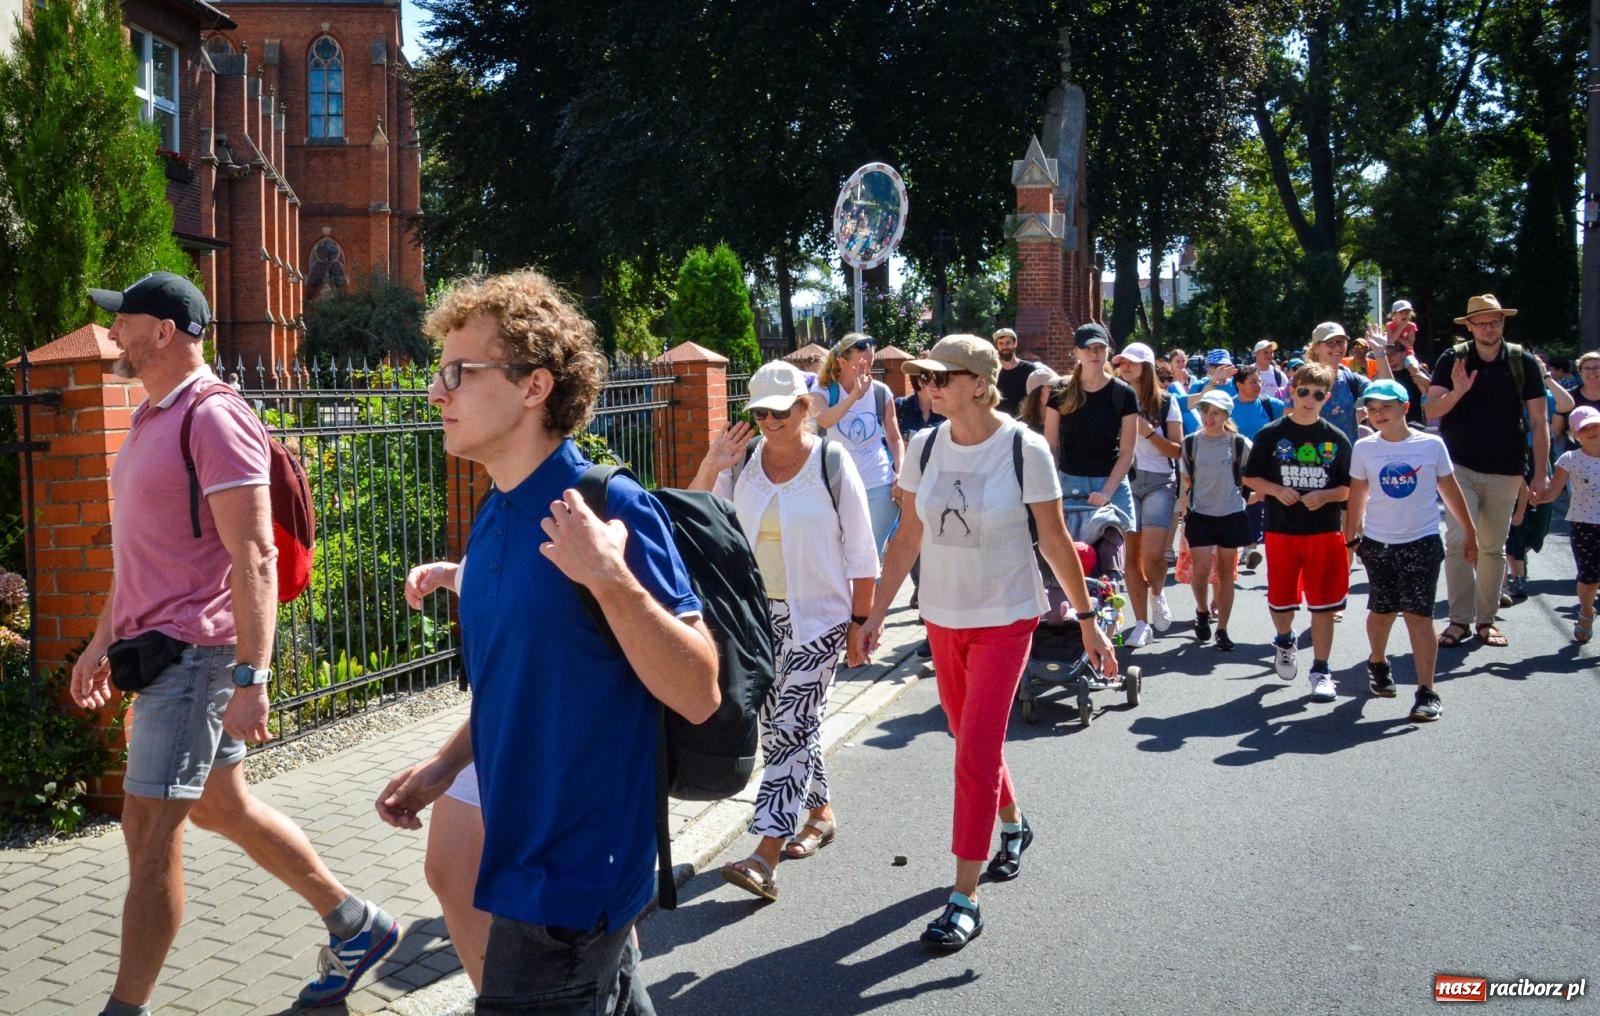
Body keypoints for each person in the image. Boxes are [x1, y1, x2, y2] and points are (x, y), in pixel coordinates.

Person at [374, 270, 719, 1015]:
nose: (438, 392)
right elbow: (524, 682)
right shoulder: (497, 513)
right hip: (522, 860)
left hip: (567, 885)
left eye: (459, 373)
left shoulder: (608, 506)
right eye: (443, 373)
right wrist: (445, 765)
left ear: (534, 387)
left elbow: (699, 689)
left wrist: (609, 578)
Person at [69, 272, 396, 1016]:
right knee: (221, 806)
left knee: (149, 830)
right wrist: (97, 643)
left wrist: (254, 675)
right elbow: (140, 555)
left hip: (196, 658)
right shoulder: (152, 417)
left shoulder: (214, 418)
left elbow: (254, 554)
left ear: (166, 331)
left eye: (126, 320)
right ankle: (357, 925)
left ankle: (125, 1008)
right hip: (158, 652)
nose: (114, 331)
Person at [859, 334, 1115, 953]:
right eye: (924, 378)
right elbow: (906, 538)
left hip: (1008, 615)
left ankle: (964, 897)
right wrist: (873, 614)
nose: (929, 387)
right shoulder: (923, 446)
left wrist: (1085, 617)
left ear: (979, 381)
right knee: (965, 732)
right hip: (943, 618)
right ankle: (1014, 824)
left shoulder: (1024, 448)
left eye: (940, 377)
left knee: (974, 752)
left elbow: (1055, 540)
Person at [688, 361, 878, 901]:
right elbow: (694, 513)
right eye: (759, 412)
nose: (769, 420)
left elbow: (863, 551)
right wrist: (711, 462)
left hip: (820, 617)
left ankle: (765, 853)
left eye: (780, 410)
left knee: (791, 724)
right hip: (753, 619)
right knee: (783, 728)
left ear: (804, 408)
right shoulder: (743, 461)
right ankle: (819, 813)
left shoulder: (831, 463)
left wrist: (862, 622)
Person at [1344, 380, 1477, 723]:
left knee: (1420, 616)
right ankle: (1377, 660)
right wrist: (1350, 539)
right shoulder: (1365, 449)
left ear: (1404, 408)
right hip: (1379, 542)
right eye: (1372, 409)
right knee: (1383, 611)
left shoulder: (1431, 446)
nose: (1378, 415)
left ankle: (1426, 691)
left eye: (1386, 407)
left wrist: (1470, 531)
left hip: (1422, 542)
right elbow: (1357, 494)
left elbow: (1449, 488)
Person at [1426, 294, 1549, 650]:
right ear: (1469, 326)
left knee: (1493, 547)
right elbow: (1432, 408)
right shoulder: (1453, 358)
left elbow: (1539, 421)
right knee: (1459, 541)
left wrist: (1539, 474)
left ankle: (1486, 621)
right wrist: (1459, 391)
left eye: (1493, 320)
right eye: (1480, 322)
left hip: (1507, 468)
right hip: (1457, 466)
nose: (1487, 327)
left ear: (1502, 323)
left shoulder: (1521, 361)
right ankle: (1458, 621)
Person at [1241, 362, 1353, 701]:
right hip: (1281, 531)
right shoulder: (1271, 433)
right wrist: (1276, 490)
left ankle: (1321, 669)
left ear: (1326, 398)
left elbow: (1349, 488)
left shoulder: (1336, 438)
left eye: (1318, 395)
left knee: (1323, 606)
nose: (1309, 399)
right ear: (1292, 390)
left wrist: (1326, 495)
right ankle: (1286, 640)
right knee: (1282, 603)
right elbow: (1249, 477)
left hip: (1324, 532)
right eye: (1303, 392)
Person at [810, 333, 904, 556]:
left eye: (871, 363)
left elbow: (894, 437)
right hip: (836, 486)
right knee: (840, 554)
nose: (867, 369)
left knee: (870, 554)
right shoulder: (822, 392)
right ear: (842, 362)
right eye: (861, 363)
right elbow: (824, 419)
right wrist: (853, 396)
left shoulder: (881, 392)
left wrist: (901, 470)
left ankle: (872, 592)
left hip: (878, 484)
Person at [1114, 342, 1181, 646]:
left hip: (1158, 481)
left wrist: (1148, 432)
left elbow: (1177, 451)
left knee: (1153, 555)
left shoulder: (1167, 402)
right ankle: (1141, 622)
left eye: (1131, 363)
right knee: (1131, 555)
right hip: (1125, 481)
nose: (1124, 367)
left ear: (1147, 367)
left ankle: (1157, 592)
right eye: (1122, 363)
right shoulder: (1114, 399)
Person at [1043, 323, 1138, 528]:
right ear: (1076, 351)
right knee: (1070, 554)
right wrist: (1054, 484)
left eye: (1100, 348)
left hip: (1111, 481)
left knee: (1120, 552)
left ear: (1108, 351)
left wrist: (1107, 492)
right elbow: (1050, 445)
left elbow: (1127, 452)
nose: (1094, 353)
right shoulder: (1061, 389)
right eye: (1087, 348)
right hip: (1069, 481)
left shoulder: (1124, 393)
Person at [1178, 391, 1252, 651]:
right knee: (1200, 569)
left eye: (1215, 413)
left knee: (1225, 574)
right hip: (1200, 514)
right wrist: (1184, 505)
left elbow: (1251, 477)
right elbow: (1187, 478)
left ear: (1225, 415)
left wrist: (1248, 498)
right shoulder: (1190, 443)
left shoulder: (1239, 443)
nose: (1209, 418)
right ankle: (1201, 610)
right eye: (1205, 412)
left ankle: (1222, 629)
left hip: (1231, 514)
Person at [1534, 405, 1600, 643]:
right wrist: (1538, 497)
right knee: (1589, 577)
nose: (1592, 431)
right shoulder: (1570, 459)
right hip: (1585, 524)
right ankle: (1586, 612)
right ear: (1575, 434)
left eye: (1596, 425)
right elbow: (1554, 492)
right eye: (1585, 428)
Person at [1229, 365, 1284, 569]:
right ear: (1239, 385)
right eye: (1252, 382)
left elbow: (1290, 417)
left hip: (1263, 464)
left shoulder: (1271, 405)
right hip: (1234, 464)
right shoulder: (1229, 407)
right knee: (1238, 503)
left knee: (1257, 503)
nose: (1258, 385)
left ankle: (1250, 548)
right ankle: (1233, 547)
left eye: (1259, 381)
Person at [992, 327, 1041, 417]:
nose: (1004, 347)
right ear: (997, 346)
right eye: (1001, 343)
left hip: (1023, 423)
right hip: (998, 425)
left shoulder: (1029, 369)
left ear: (1015, 344)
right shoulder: (992, 371)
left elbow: (1037, 399)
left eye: (1008, 343)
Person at [1018, 364, 1061, 435]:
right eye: (1051, 387)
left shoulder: (1067, 423)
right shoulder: (1020, 428)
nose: (1058, 391)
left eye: (1059, 386)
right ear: (1036, 394)